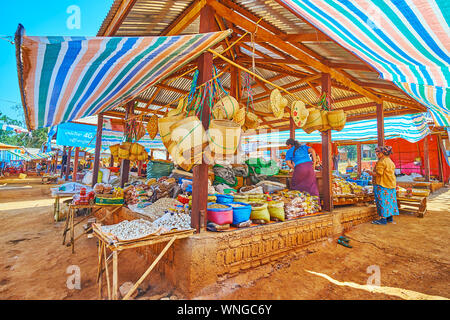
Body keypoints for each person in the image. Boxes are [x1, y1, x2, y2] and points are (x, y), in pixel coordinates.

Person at [364, 146, 399, 225]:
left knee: (382, 201)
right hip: (390, 184)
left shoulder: (381, 161)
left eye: (378, 152)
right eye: (376, 152)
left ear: (383, 153)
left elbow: (379, 173)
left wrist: (369, 172)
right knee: (390, 201)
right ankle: (390, 218)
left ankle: (383, 219)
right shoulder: (390, 161)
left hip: (382, 184)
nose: (376, 154)